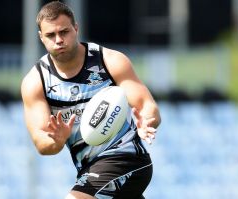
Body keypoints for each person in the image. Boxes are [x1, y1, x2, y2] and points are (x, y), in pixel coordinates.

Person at [21, 1, 161, 199]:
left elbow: (147, 106)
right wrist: (56, 140)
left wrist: (147, 120)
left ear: (76, 29)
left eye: (64, 32)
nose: (59, 40)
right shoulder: (35, 82)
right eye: (51, 35)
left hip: (127, 159)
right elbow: (42, 143)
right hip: (88, 170)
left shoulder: (109, 61)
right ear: (41, 37)